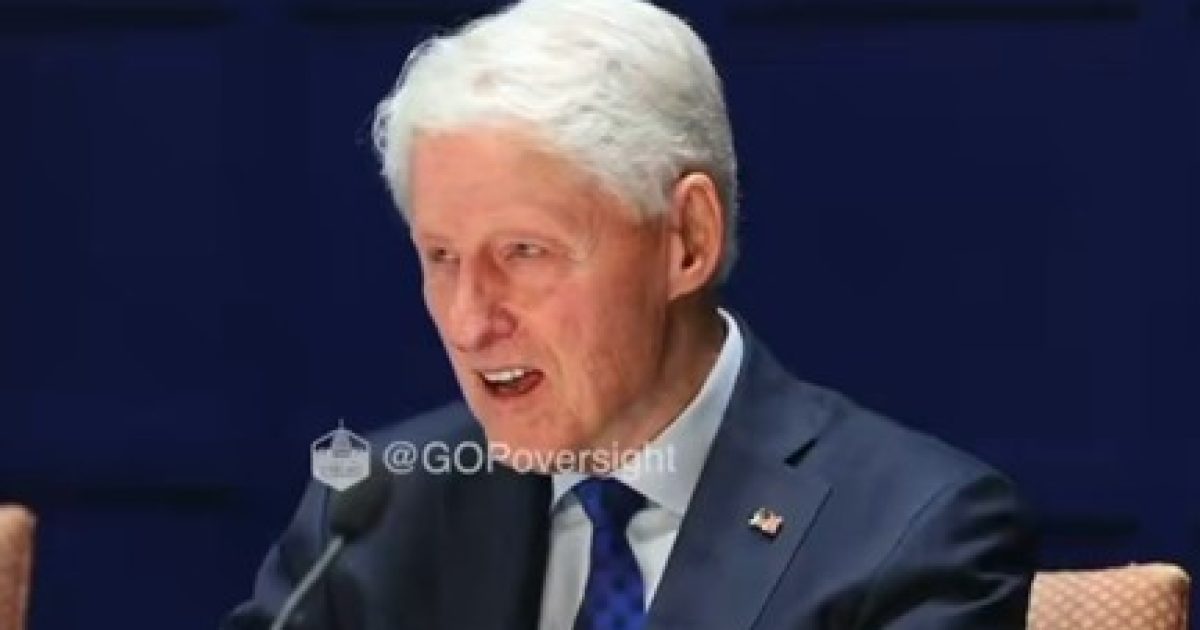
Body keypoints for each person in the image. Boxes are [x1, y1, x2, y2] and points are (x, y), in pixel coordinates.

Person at [224, 0, 1036, 628]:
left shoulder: (913, 533)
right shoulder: (374, 514)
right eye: (442, 258)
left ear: (687, 240)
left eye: (524, 253)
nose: (469, 323)